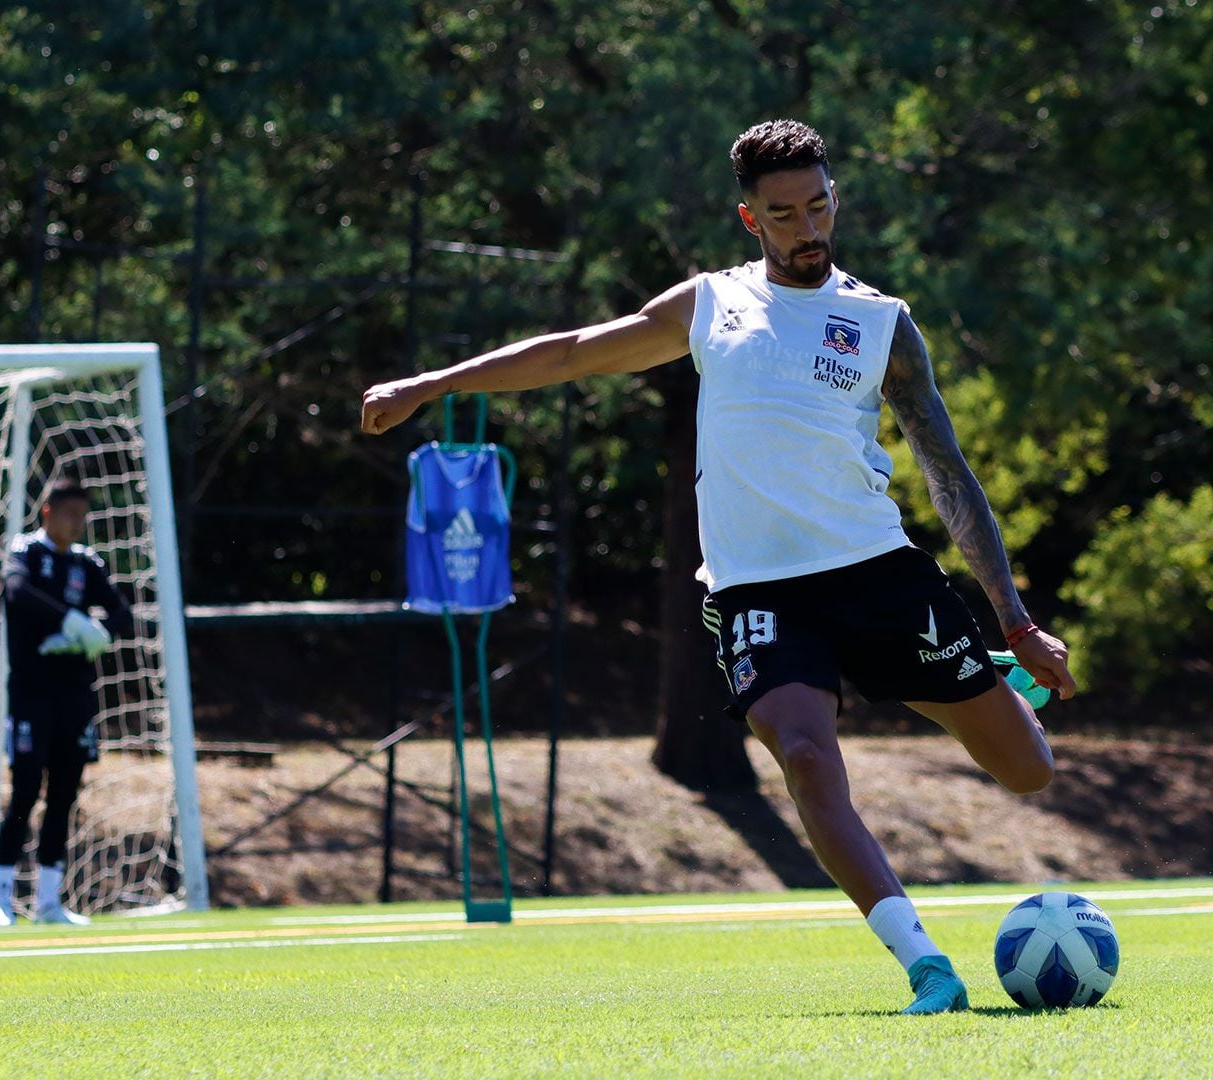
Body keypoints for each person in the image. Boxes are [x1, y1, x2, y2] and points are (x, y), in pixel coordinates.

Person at [359, 119, 1076, 1014]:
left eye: (818, 205)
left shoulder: (882, 322)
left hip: (878, 573)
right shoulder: (709, 306)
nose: (807, 227)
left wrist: (1012, 617)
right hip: (755, 592)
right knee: (807, 758)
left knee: (1027, 771)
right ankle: (925, 967)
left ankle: (996, 682)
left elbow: (949, 473)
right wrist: (433, 384)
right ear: (751, 219)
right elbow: (578, 351)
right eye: (785, 214)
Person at [0, 477, 132, 926]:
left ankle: (50, 901)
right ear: (48, 511)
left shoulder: (86, 564)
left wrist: (93, 631)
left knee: (65, 792)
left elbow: (123, 615)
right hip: (31, 694)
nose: (77, 523)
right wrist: (68, 619)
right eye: (70, 513)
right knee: (26, 787)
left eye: (82, 515)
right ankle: (0, 898)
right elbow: (15, 593)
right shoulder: (25, 552)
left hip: (75, 697)